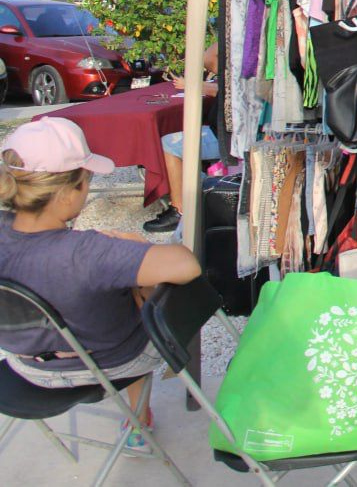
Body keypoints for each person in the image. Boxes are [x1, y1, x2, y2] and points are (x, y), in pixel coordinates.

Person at [0, 118, 202, 450]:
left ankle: (139, 419)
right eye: (87, 179)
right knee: (145, 293)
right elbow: (187, 265)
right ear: (66, 194)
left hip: (25, 365)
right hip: (110, 364)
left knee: (115, 291)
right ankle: (137, 420)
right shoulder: (89, 252)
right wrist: (134, 243)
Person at [145, 42, 219, 233]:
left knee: (170, 144)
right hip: (224, 130)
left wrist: (193, 85)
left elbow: (209, 61)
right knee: (178, 136)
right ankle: (196, 195)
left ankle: (180, 210)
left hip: (228, 137)